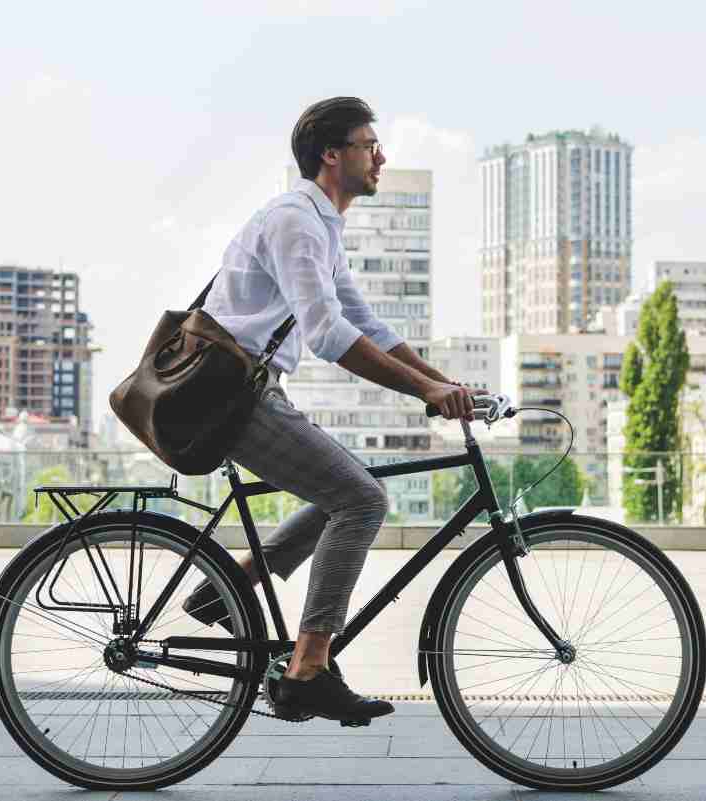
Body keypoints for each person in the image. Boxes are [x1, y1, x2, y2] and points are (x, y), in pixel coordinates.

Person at [181, 97, 486, 722]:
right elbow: (325, 333)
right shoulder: (296, 219)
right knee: (362, 499)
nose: (381, 156)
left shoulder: (321, 226)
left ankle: (228, 590)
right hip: (232, 394)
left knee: (347, 490)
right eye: (369, 144)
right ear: (331, 153)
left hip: (252, 386)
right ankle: (308, 667)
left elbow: (363, 320)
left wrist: (444, 383)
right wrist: (424, 392)